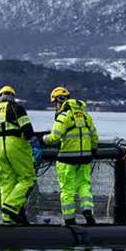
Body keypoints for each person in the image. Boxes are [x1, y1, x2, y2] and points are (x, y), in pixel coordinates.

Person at [42, 86, 99, 226]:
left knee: (67, 190)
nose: (55, 106)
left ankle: (69, 220)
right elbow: (94, 138)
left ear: (59, 101)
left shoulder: (63, 116)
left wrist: (43, 139)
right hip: (85, 158)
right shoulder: (86, 116)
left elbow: (54, 138)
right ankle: (88, 212)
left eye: (55, 103)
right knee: (84, 186)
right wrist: (91, 150)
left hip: (66, 159)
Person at [0, 85, 37, 225]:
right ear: (12, 96)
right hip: (15, 145)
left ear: (0, 97)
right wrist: (35, 144)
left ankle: (7, 219)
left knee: (7, 182)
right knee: (27, 179)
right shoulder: (17, 108)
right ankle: (11, 206)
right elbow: (27, 129)